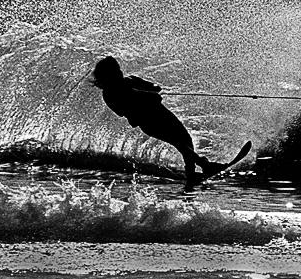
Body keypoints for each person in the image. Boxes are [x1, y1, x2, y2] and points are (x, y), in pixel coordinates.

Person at [91, 56, 225, 190]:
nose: (120, 72)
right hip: (148, 122)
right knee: (179, 143)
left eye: (119, 69)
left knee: (186, 140)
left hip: (162, 113)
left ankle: (191, 174)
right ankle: (206, 165)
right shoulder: (109, 94)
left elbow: (155, 88)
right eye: (116, 71)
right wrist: (143, 95)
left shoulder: (131, 80)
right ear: (108, 76)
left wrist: (151, 89)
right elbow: (122, 110)